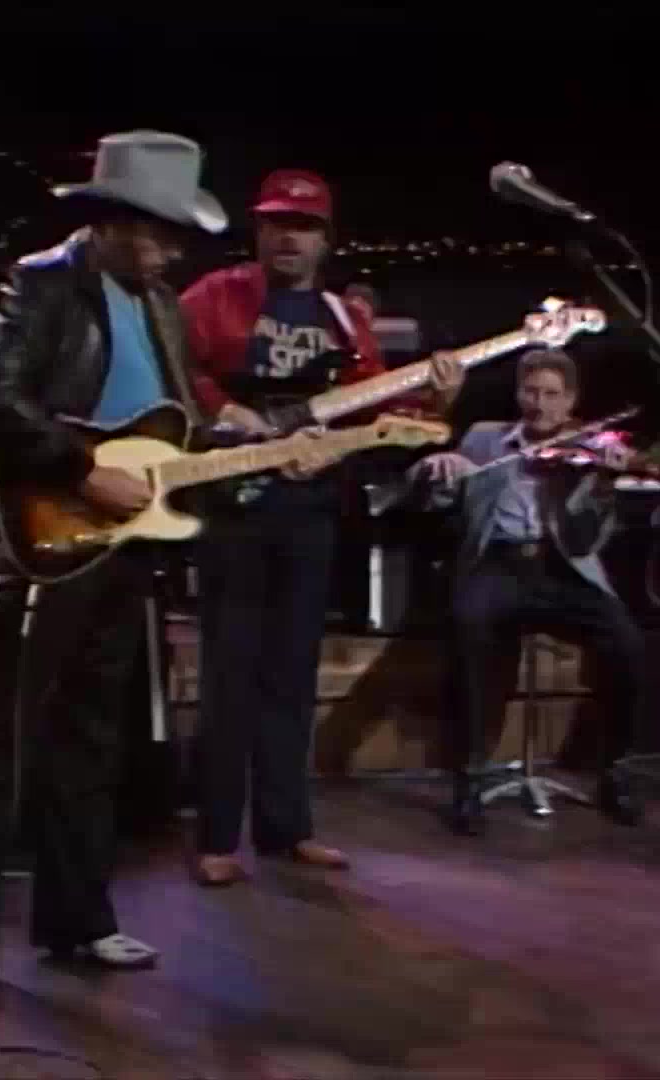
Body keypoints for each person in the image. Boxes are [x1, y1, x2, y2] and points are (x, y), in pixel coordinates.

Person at [0, 131, 226, 1001]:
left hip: (125, 542)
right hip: (48, 533)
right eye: (157, 233)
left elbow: (171, 425)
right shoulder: (45, 282)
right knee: (0, 741)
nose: (169, 252)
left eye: (175, 237)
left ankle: (78, 919)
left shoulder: (161, 305)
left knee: (93, 740)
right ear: (108, 221)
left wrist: (261, 451)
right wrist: (78, 468)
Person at [178, 169, 462, 886]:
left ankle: (286, 828)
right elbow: (173, 364)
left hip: (309, 511)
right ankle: (216, 837)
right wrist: (228, 414)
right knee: (230, 674)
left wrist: (436, 399)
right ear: (258, 229)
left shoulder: (344, 318)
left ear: (326, 239)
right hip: (235, 502)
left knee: (292, 676)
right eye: (277, 222)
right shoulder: (214, 295)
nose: (288, 237)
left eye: (303, 226)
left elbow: (375, 413)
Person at [408, 349, 645, 837]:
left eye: (552, 395)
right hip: (499, 563)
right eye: (531, 392)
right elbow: (439, 499)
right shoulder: (485, 438)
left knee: (627, 643)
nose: (540, 405)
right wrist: (437, 469)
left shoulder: (590, 449)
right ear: (518, 394)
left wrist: (603, 484)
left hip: (563, 567)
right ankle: (471, 778)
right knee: (469, 627)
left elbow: (584, 541)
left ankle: (614, 770)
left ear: (571, 400)